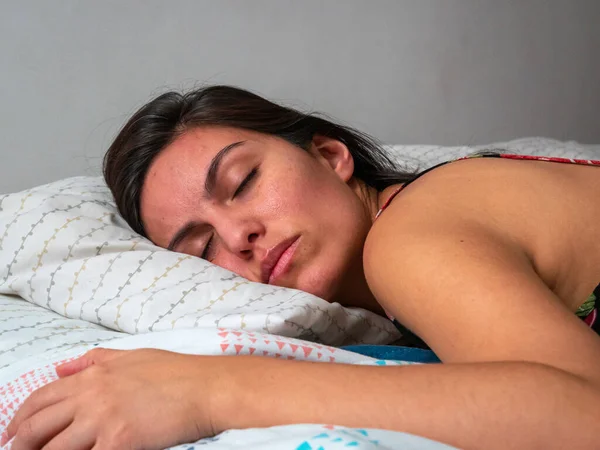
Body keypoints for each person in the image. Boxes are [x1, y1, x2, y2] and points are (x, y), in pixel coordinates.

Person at [4, 85, 599, 449]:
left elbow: (583, 419)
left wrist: (212, 390)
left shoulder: (409, 239)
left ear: (330, 154)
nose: (239, 235)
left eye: (243, 181)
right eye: (201, 246)